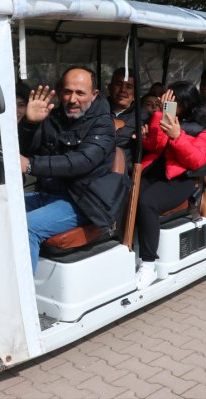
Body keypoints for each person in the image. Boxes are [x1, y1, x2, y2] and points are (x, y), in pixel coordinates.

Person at [19, 67, 130, 273]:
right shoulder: (54, 117)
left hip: (84, 202)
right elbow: (24, 151)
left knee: (26, 226)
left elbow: (81, 162)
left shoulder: (103, 124)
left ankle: (22, 301)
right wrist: (30, 124)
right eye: (68, 92)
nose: (72, 99)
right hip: (50, 193)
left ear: (94, 94)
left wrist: (32, 165)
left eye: (80, 93)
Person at [135, 81, 206, 290]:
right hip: (152, 170)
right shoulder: (167, 116)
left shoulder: (205, 129)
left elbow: (197, 160)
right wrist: (160, 118)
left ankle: (148, 263)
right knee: (125, 194)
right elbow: (154, 145)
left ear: (186, 103)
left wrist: (177, 136)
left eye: (172, 101)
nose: (167, 103)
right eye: (166, 100)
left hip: (181, 179)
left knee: (146, 203)